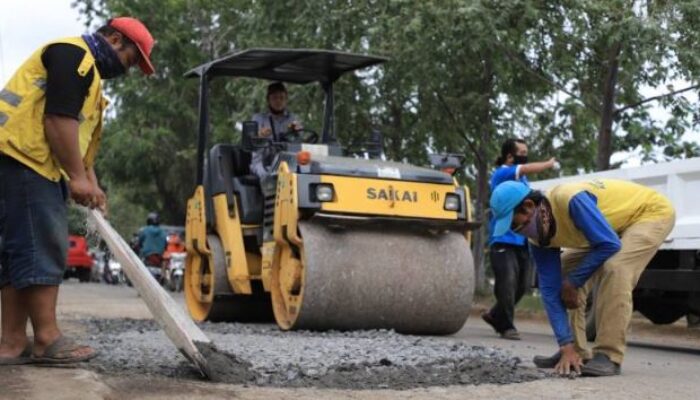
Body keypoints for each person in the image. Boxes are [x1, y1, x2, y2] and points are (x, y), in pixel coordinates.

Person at [0, 17, 155, 365]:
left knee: (19, 250)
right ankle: (46, 338)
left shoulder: (87, 72)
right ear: (115, 40)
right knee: (42, 245)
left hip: (24, 160)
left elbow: (78, 140)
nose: (127, 70)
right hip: (26, 158)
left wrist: (90, 181)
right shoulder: (74, 56)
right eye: (131, 60)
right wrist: (77, 178)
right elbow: (57, 120)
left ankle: (10, 342)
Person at [490, 179, 675, 376]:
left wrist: (574, 282)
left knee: (616, 268)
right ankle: (575, 351)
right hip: (610, 228)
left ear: (528, 207)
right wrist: (565, 344)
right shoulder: (537, 239)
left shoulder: (569, 200)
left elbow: (609, 244)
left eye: (515, 224)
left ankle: (608, 355)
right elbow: (550, 291)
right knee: (563, 273)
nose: (517, 231)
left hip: (648, 214)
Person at [482, 139, 557, 340]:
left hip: (522, 240)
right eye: (522, 152)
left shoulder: (523, 183)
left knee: (522, 285)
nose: (525, 155)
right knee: (507, 282)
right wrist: (549, 164)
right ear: (509, 156)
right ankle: (506, 326)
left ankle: (495, 315)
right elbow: (527, 167)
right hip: (503, 240)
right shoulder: (502, 174)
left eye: (526, 151)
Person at [249, 82, 303, 180]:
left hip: (287, 160)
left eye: (281, 98)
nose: (278, 101)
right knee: (268, 176)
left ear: (286, 100)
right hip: (263, 161)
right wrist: (259, 135)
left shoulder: (292, 119)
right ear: (268, 100)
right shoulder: (259, 119)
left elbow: (300, 142)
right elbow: (250, 141)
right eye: (274, 98)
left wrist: (297, 132)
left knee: (302, 174)